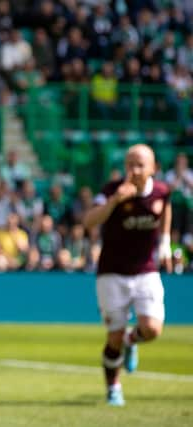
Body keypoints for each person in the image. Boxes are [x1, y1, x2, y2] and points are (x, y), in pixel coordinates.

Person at [83, 144, 172, 407]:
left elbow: (165, 209)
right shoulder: (112, 190)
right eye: (129, 164)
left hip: (145, 270)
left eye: (140, 165)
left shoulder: (162, 191)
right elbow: (88, 221)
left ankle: (131, 341)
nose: (133, 170)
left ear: (153, 168)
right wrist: (115, 201)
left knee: (153, 329)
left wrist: (165, 242)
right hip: (112, 272)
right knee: (113, 337)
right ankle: (113, 388)